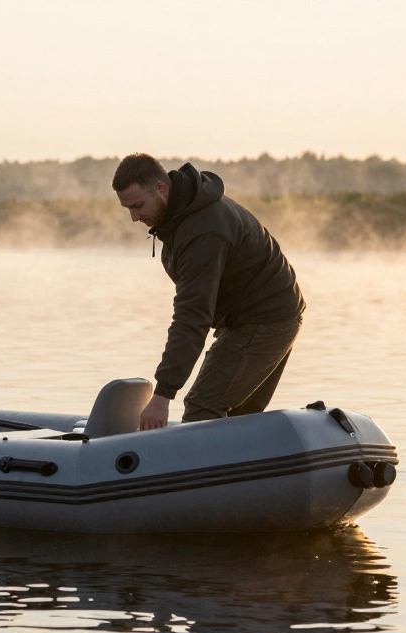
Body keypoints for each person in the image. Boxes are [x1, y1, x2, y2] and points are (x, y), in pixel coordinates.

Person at [112, 154, 305, 430]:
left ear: (160, 188)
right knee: (237, 416)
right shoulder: (184, 213)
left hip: (265, 320)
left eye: (138, 206)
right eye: (128, 208)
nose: (134, 217)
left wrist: (163, 395)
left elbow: (192, 317)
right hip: (260, 317)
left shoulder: (202, 231)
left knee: (202, 408)